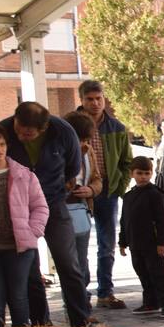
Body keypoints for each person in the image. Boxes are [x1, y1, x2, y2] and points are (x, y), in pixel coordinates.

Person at [0, 102, 94, 327]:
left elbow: (72, 167)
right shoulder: (2, 131)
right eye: (20, 131)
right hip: (17, 210)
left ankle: (80, 320)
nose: (23, 137)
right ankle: (42, 323)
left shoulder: (63, 131)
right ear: (15, 120)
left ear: (43, 129)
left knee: (68, 264)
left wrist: (55, 189)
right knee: (30, 268)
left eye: (29, 135)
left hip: (53, 203)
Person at [0, 123, 48, 327]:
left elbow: (40, 207)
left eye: (2, 144)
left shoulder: (24, 174)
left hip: (19, 248)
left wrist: (32, 231)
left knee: (19, 298)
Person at [76, 80, 132, 310]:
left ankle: (105, 292)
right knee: (78, 244)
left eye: (98, 98)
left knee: (106, 243)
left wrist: (119, 187)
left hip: (107, 191)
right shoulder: (70, 125)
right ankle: (80, 292)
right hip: (79, 193)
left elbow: (126, 162)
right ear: (81, 100)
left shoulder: (116, 127)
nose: (95, 103)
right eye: (90, 99)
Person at [118, 157, 164, 318]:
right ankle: (151, 303)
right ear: (132, 174)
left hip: (151, 243)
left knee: (158, 274)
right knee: (143, 273)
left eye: (147, 173)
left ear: (151, 174)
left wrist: (162, 242)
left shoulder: (155, 194)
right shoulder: (128, 196)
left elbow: (161, 221)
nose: (143, 176)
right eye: (139, 173)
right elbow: (124, 220)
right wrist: (122, 242)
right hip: (135, 243)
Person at [62, 112, 100, 303]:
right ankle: (74, 305)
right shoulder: (58, 152)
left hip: (82, 210)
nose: (83, 143)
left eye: (86, 139)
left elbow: (97, 179)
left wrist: (91, 190)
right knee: (69, 263)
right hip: (61, 212)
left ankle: (82, 302)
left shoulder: (88, 151)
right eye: (80, 139)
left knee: (82, 261)